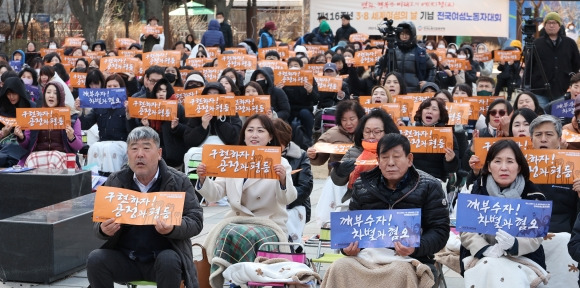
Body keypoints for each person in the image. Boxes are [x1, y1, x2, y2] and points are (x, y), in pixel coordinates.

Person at [321, 133, 449, 288]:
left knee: (400, 272)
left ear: (409, 160)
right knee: (339, 267)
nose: (390, 163)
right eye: (385, 157)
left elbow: (439, 230)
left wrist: (415, 247)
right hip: (367, 256)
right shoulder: (362, 185)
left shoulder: (429, 186)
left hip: (410, 258)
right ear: (378, 161)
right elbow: (351, 228)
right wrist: (347, 247)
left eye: (396, 157)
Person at [86, 126, 204, 288]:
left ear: (159, 153)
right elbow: (97, 222)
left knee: (169, 260)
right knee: (96, 259)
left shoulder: (179, 181)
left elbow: (196, 221)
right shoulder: (116, 181)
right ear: (127, 154)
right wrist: (103, 229)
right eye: (134, 149)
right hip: (127, 259)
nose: (140, 154)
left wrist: (172, 228)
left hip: (163, 260)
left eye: (146, 148)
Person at [195, 114, 297, 287]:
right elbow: (215, 194)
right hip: (237, 221)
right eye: (250, 130)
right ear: (243, 135)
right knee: (228, 231)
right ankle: (230, 276)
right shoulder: (233, 159)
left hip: (268, 224)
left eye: (260, 130)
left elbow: (288, 198)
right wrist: (203, 179)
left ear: (270, 136)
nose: (254, 135)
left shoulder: (280, 162)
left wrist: (282, 179)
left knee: (240, 234)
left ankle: (242, 279)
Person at [460, 139, 548, 286]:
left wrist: (514, 244)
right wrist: (485, 249)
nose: (504, 168)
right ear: (489, 165)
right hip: (482, 256)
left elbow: (536, 236)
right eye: (498, 161)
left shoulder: (534, 195)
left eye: (510, 161)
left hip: (524, 257)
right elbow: (466, 230)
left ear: (519, 166)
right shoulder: (474, 190)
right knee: (489, 269)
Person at [529, 115, 580, 233]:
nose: (543, 139)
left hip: (563, 235)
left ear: (559, 139)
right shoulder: (520, 168)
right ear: (531, 140)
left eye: (549, 134)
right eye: (538, 135)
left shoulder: (573, 168)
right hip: (527, 233)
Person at [14, 81, 83, 168]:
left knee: (55, 157)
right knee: (32, 158)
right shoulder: (35, 116)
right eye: (48, 92)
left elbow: (79, 146)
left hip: (61, 158)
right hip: (37, 157)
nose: (51, 95)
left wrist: (71, 137)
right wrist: (21, 137)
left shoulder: (72, 118)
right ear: (44, 95)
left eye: (55, 93)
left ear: (60, 96)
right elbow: (26, 145)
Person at [76, 73, 129, 175]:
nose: (111, 89)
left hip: (121, 143)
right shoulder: (99, 106)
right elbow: (85, 125)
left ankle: (114, 179)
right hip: (102, 142)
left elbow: (132, 129)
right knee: (94, 147)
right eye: (109, 86)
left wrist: (128, 113)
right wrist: (80, 112)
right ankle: (93, 179)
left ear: (121, 88)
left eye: (115, 86)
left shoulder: (126, 106)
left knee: (110, 148)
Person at [525, 12, 580, 107]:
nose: (551, 25)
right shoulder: (536, 43)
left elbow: (576, 65)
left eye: (554, 23)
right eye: (548, 23)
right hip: (540, 91)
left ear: (559, 26)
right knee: (542, 118)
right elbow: (529, 66)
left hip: (563, 90)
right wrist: (526, 87)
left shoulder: (570, 43)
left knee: (560, 119)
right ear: (544, 26)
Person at [273, 118, 313, 243]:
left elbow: (305, 186)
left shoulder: (300, 155)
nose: (273, 147)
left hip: (294, 204)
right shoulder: (260, 156)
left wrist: (286, 199)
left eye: (277, 142)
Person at [375, 21, 435, 92]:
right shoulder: (392, 50)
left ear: (412, 34)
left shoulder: (420, 52)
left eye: (407, 33)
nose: (404, 36)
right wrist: (378, 75)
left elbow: (432, 68)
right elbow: (379, 64)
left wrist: (427, 83)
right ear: (398, 34)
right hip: (395, 91)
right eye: (402, 33)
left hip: (415, 91)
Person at [411, 98, 459, 183]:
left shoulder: (448, 136)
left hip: (436, 180)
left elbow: (452, 169)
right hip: (412, 178)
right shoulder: (411, 133)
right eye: (426, 108)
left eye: (434, 109)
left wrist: (450, 160)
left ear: (440, 115)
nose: (429, 111)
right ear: (421, 112)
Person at [280, 57, 319, 147]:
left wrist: (310, 91)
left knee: (305, 114)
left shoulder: (309, 79)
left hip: (304, 109)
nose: (293, 67)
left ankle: (309, 140)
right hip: (288, 109)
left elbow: (316, 99)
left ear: (301, 68)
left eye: (295, 65)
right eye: (291, 66)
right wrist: (279, 90)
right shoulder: (283, 79)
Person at [0, 77, 34, 167]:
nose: (11, 97)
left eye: (14, 93)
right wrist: (3, 133)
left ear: (20, 92)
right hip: (3, 146)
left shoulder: (31, 107)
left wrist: (21, 136)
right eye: (8, 94)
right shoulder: (2, 109)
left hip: (24, 147)